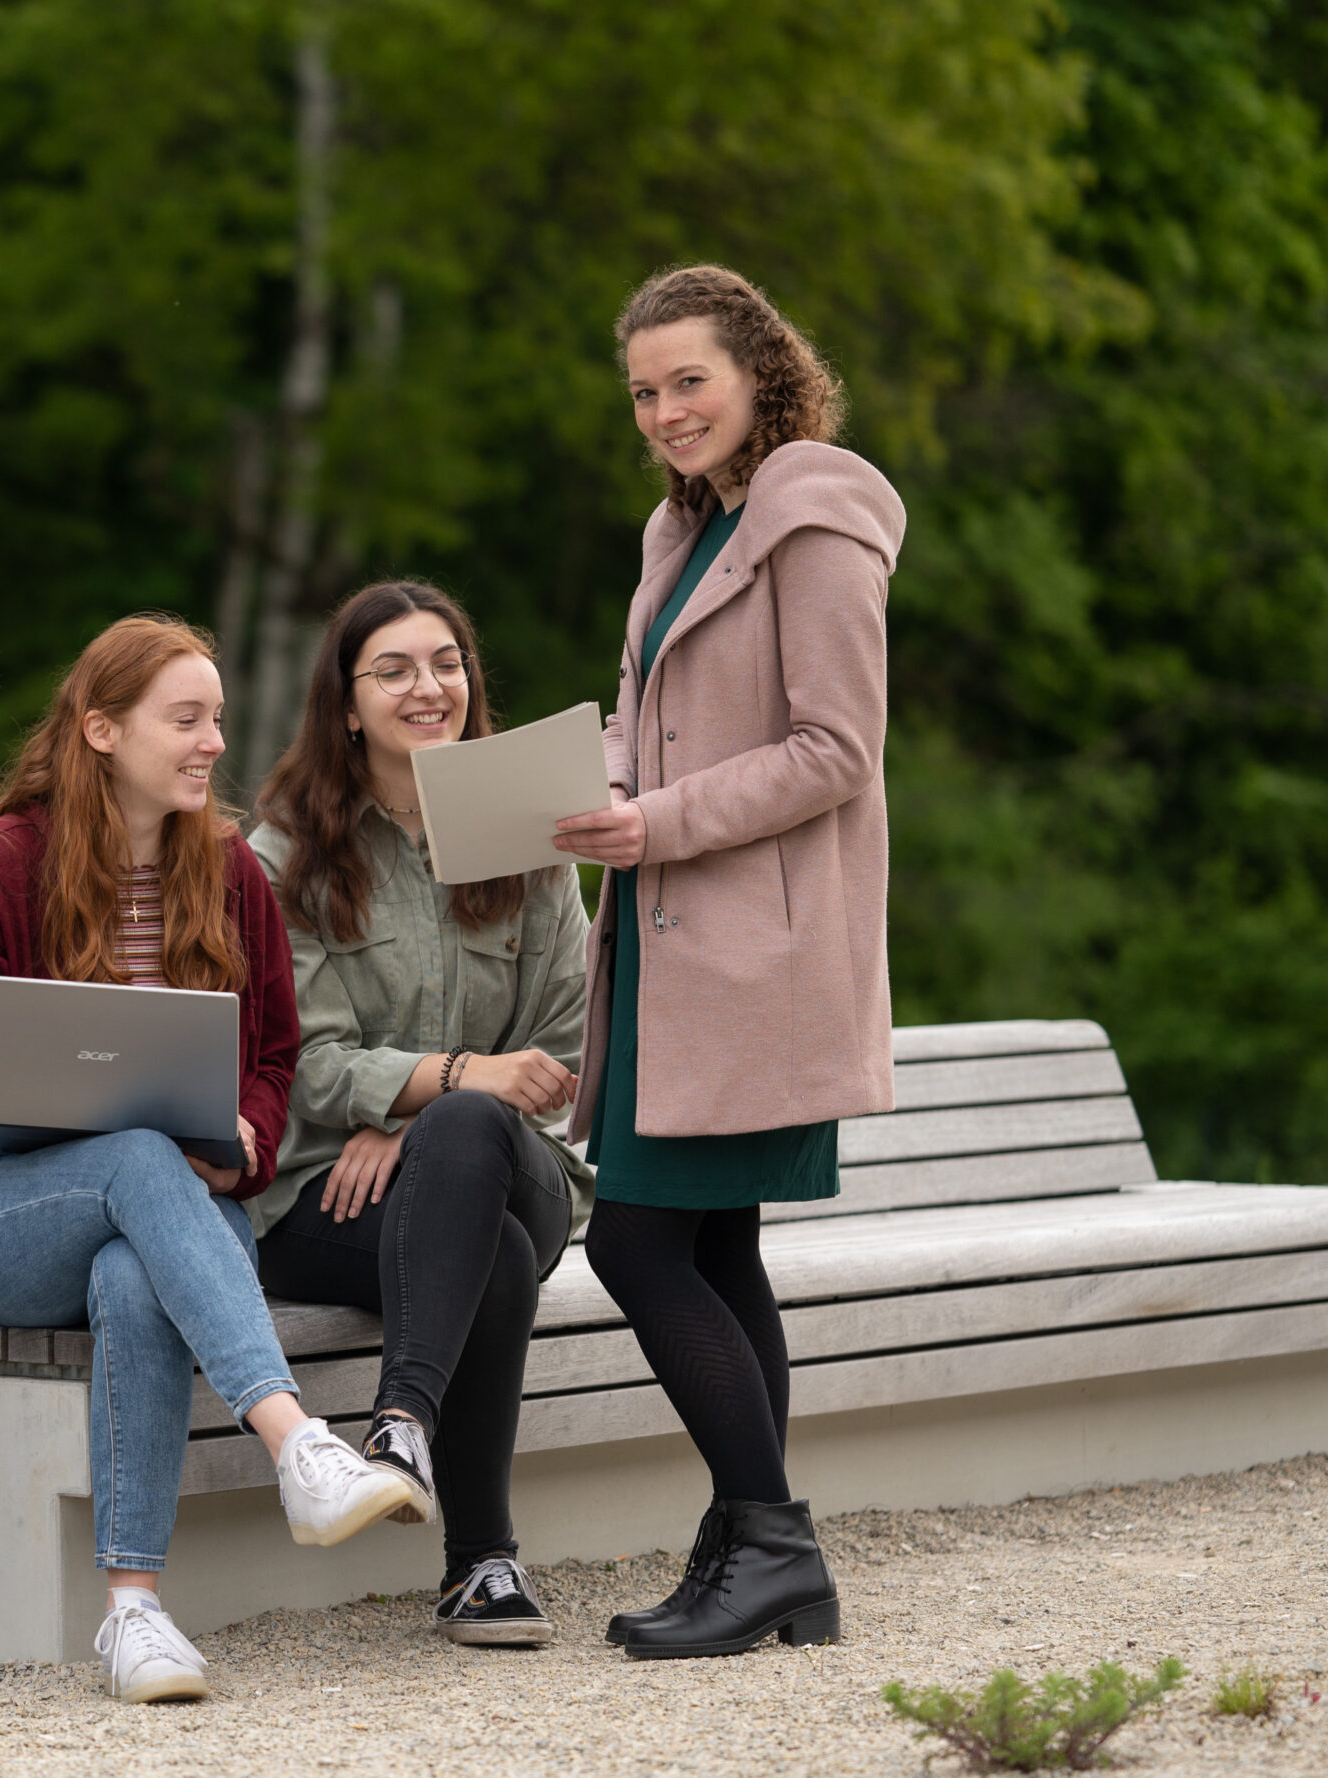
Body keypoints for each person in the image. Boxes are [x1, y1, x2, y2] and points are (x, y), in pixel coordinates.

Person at [0, 615, 415, 1705]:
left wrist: (244, 1128)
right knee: (137, 1150)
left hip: (174, 1207)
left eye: (218, 720)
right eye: (184, 719)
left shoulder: (229, 867)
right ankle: (298, 1445)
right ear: (100, 728)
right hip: (5, 1211)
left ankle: (132, 1611)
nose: (209, 743)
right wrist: (127, 1125)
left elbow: (274, 1052)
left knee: (135, 1273)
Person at [552, 264, 905, 1660]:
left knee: (636, 1242)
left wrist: (655, 821)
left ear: (760, 369)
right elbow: (660, 735)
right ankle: (750, 1545)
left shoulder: (812, 513)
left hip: (749, 949)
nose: (664, 412)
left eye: (688, 379)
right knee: (715, 1244)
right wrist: (567, 789)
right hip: (662, 942)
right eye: (643, 392)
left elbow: (838, 750)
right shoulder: (683, 528)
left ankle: (770, 1538)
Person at [247, 580, 593, 1647]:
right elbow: (302, 1062)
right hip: (326, 1200)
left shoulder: (530, 832)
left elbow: (558, 1058)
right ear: (346, 704)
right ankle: (477, 1562)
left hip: (524, 1167)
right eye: (391, 668)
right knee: (476, 1237)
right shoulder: (281, 854)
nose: (426, 685)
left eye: (445, 662)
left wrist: (422, 1103)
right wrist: (453, 1080)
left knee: (473, 1137)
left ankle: (402, 1423)